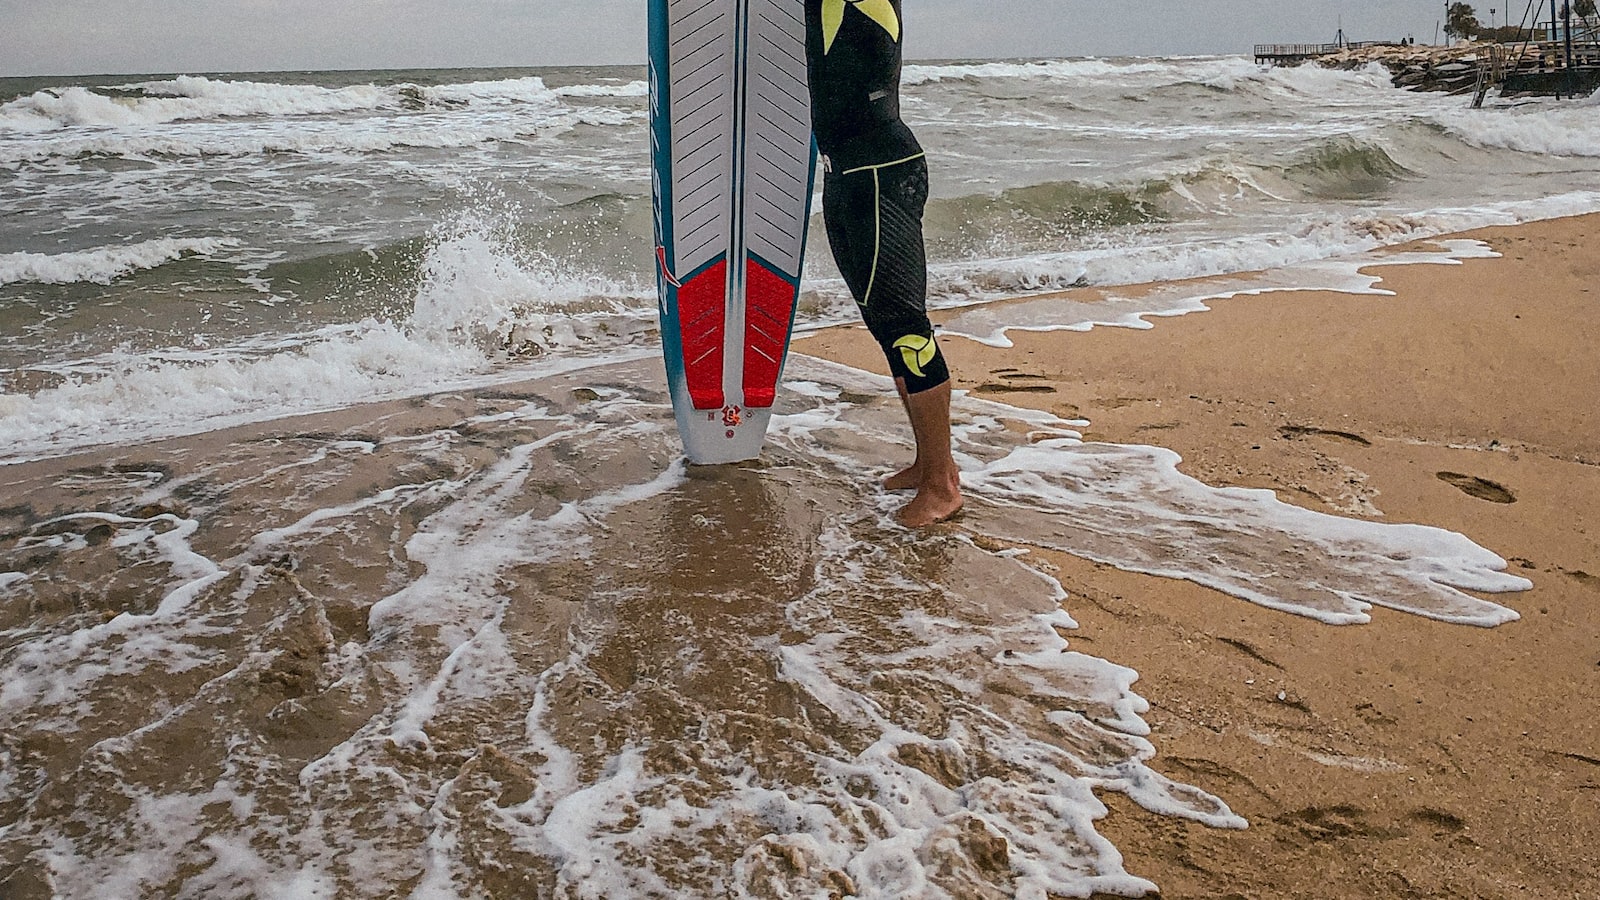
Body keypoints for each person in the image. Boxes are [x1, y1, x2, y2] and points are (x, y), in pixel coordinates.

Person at [805, 0, 963, 526]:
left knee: (906, 329)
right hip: (847, 172)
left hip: (881, 173)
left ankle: (942, 486)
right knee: (883, 323)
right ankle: (927, 464)